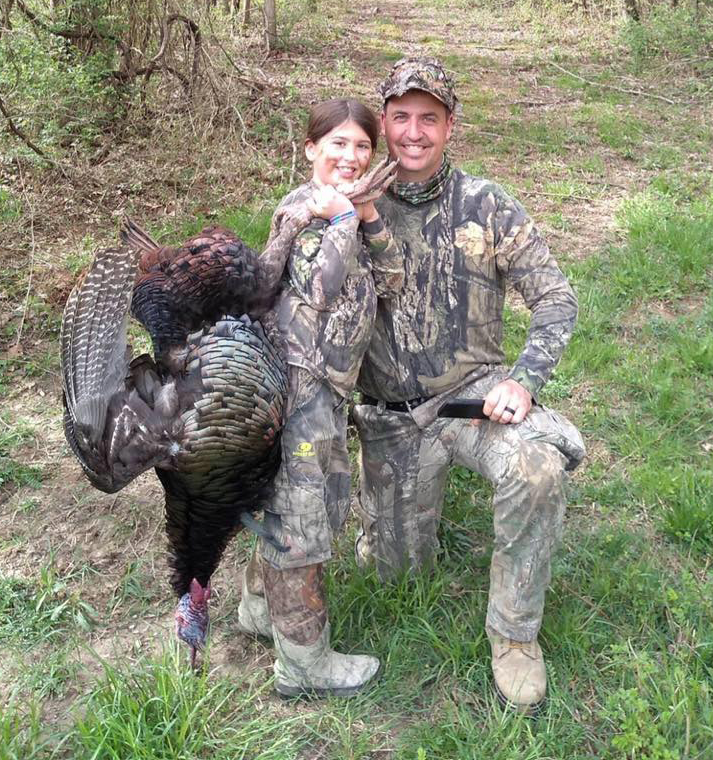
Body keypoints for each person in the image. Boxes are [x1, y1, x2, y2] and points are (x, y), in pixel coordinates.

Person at [351, 57, 586, 714]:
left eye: (429, 118)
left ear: (449, 126)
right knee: (394, 576)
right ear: (383, 123)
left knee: (536, 468)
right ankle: (390, 514)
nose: (414, 132)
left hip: (470, 402)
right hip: (388, 417)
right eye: (401, 117)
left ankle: (513, 635)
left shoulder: (488, 204)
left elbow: (556, 298)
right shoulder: (347, 206)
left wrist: (524, 379)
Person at [236, 98, 405, 699]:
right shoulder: (303, 210)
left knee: (295, 507)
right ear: (311, 148)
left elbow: (392, 281)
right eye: (337, 143)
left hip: (326, 392)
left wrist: (366, 216)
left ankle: (259, 611)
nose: (351, 156)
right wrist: (341, 219)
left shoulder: (351, 210)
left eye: (362, 146)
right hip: (298, 390)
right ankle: (303, 665)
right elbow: (322, 285)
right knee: (300, 522)